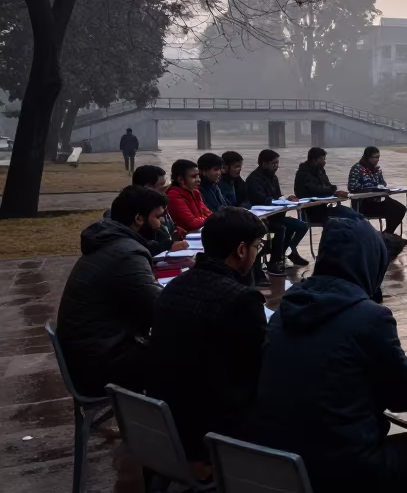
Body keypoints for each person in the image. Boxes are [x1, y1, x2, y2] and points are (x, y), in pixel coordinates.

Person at [252, 218, 407, 493]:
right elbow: (405, 397)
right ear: (369, 262)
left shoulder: (285, 310)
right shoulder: (370, 317)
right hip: (340, 469)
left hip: (279, 459)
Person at [148, 207, 269, 463]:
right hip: (211, 433)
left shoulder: (174, 286)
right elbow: (258, 368)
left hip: (165, 422)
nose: (257, 254)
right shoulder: (243, 300)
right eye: (257, 246)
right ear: (241, 249)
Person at [56, 185, 166, 395]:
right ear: (139, 219)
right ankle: (171, 424)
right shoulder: (127, 253)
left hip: (90, 352)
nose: (160, 225)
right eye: (157, 217)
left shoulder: (109, 240)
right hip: (101, 364)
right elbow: (158, 308)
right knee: (189, 357)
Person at [247, 149, 310, 278]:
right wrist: (278, 201)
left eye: (277, 163)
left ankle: (287, 251)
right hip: (263, 218)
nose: (276, 166)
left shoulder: (273, 177)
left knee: (302, 226)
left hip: (277, 215)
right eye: (273, 163)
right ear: (264, 163)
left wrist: (287, 199)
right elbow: (260, 200)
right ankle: (275, 261)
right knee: (281, 229)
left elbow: (278, 196)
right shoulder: (254, 179)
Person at [129, 165, 188, 257]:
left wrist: (175, 231)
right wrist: (163, 237)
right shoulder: (137, 213)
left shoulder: (158, 204)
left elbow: (170, 230)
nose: (165, 192)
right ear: (148, 187)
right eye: (162, 187)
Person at [347, 146, 406, 236]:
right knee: (391, 209)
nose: (377, 159)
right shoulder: (357, 168)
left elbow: (382, 183)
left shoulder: (377, 169)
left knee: (400, 209)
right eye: (375, 157)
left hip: (378, 200)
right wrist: (369, 188)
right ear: (368, 157)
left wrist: (381, 186)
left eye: (378, 157)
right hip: (363, 203)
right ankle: (383, 236)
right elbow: (352, 187)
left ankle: (387, 233)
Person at [294, 147, 360, 225]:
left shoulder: (321, 171)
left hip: (327, 206)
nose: (324, 162)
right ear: (314, 160)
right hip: (312, 211)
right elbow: (316, 190)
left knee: (356, 215)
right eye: (322, 159)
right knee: (344, 220)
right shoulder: (303, 173)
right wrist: (332, 190)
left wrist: (336, 192)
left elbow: (327, 186)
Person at [168, 158, 213, 232]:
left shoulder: (195, 192)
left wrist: (206, 218)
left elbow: (208, 213)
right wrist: (208, 218)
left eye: (198, 176)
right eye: (194, 177)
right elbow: (193, 224)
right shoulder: (173, 196)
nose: (199, 180)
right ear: (181, 179)